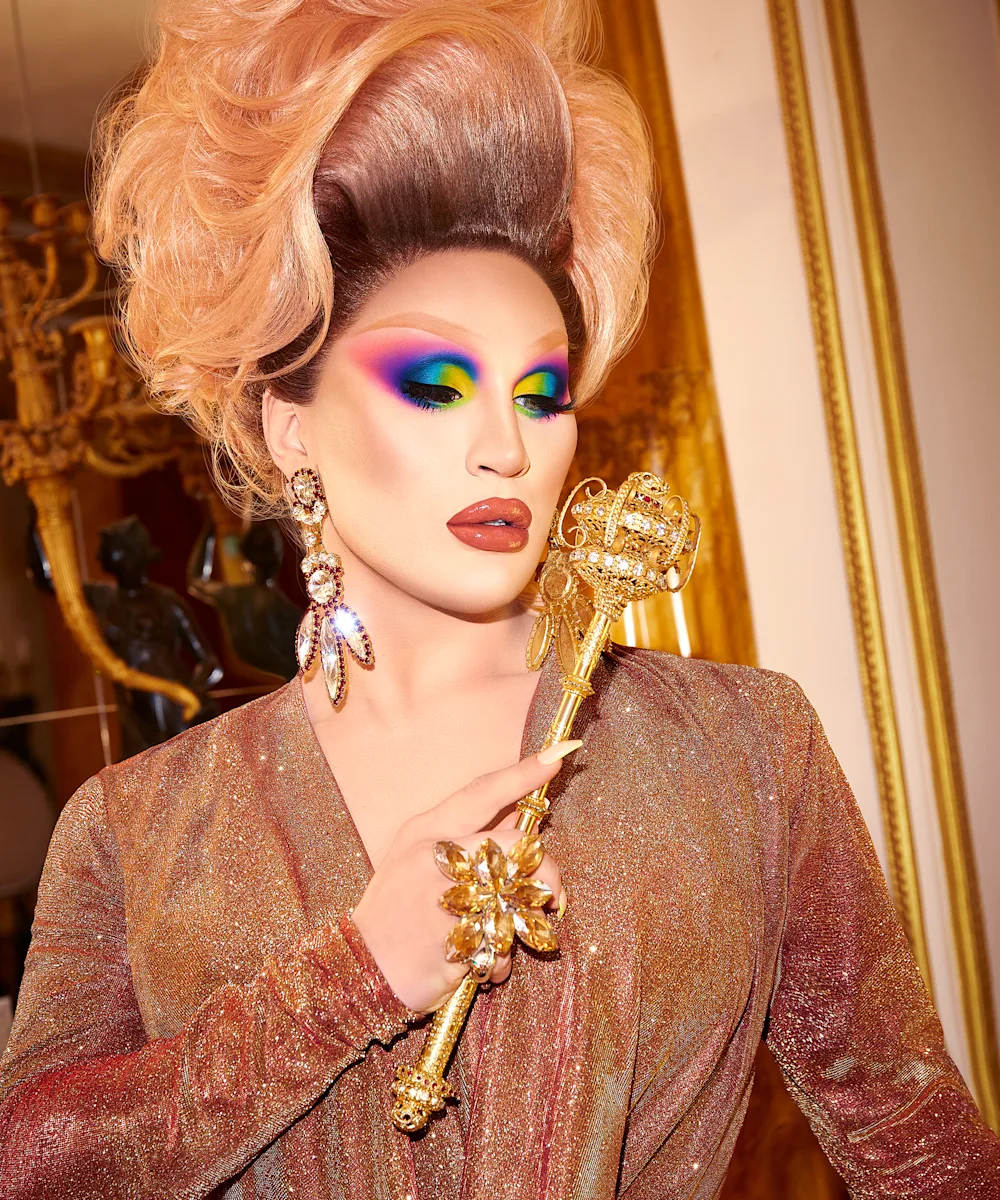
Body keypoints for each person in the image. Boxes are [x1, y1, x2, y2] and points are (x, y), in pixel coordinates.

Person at [1, 1, 997, 1196]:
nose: (507, 448)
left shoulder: (740, 749)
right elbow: (32, 1165)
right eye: (436, 384)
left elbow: (921, 1149)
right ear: (290, 423)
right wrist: (353, 977)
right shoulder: (138, 828)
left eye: (540, 392)